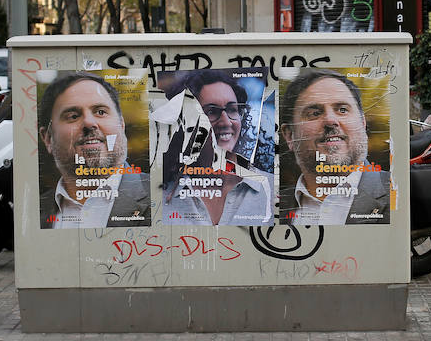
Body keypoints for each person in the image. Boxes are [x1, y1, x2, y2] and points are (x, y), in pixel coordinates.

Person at [38, 72, 150, 228]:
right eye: (73, 115)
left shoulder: (164, 197)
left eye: (101, 112)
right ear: (48, 138)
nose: (89, 123)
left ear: (121, 126)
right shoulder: (36, 211)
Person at [279, 68, 390, 224]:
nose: (331, 121)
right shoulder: (271, 206)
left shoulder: (402, 192)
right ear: (289, 135)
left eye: (342, 110)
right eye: (314, 113)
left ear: (363, 124)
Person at [163, 69, 274, 225]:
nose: (226, 122)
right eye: (211, 111)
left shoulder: (272, 188)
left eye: (232, 109)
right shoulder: (163, 194)